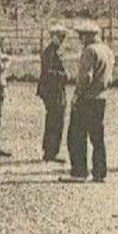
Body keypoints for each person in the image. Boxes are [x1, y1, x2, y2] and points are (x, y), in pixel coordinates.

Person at [63, 21, 115, 182]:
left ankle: (79, 172)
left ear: (88, 36)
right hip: (101, 98)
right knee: (97, 137)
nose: (80, 39)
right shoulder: (107, 51)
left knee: (76, 135)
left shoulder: (89, 51)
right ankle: (100, 172)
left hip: (87, 99)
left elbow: (86, 76)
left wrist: (77, 95)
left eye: (81, 35)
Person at [36, 25, 70, 162]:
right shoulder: (50, 52)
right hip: (51, 90)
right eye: (59, 36)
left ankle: (50, 150)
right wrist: (64, 75)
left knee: (54, 119)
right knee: (55, 120)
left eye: (63, 37)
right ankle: (51, 151)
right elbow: (48, 72)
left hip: (55, 89)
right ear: (53, 36)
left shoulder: (54, 51)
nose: (62, 39)